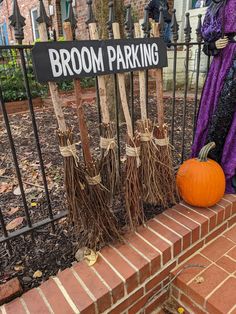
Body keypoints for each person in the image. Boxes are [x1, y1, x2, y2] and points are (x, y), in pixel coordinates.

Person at [192, 0, 236, 193]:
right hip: (223, 62)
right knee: (219, 112)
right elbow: (207, 42)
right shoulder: (215, 6)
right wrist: (213, 44)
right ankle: (213, 162)